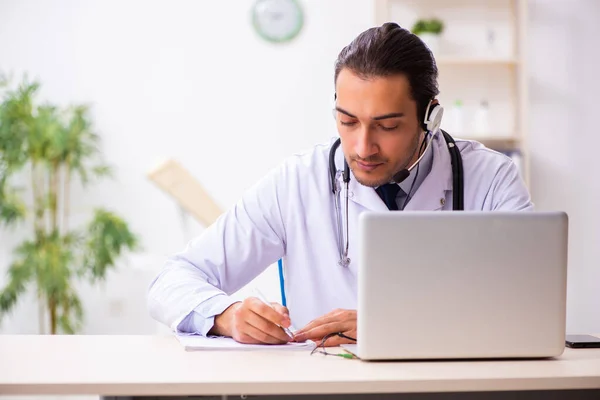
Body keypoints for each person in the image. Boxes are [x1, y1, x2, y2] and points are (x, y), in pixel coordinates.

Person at [147, 22, 533, 347]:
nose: (363, 147)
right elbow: (173, 280)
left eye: (388, 126)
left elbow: (528, 309)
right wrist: (225, 315)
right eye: (348, 122)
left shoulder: (490, 179)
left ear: (430, 116)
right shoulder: (297, 182)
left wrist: (392, 330)